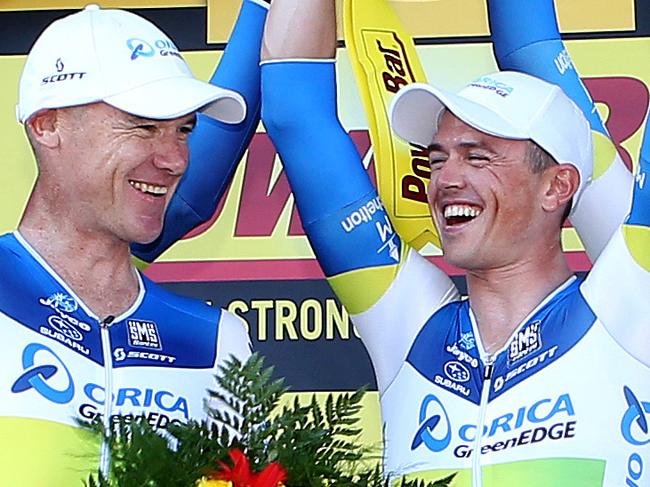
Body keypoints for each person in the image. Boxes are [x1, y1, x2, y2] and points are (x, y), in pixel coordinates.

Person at [260, 0, 650, 484]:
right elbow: (296, 114)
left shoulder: (632, 302)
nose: (446, 179)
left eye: (478, 156)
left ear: (557, 186)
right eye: (438, 157)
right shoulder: (407, 323)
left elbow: (528, 37)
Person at [0, 3, 267, 485]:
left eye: (184, 130)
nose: (174, 160)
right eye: (144, 126)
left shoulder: (214, 340)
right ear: (48, 125)